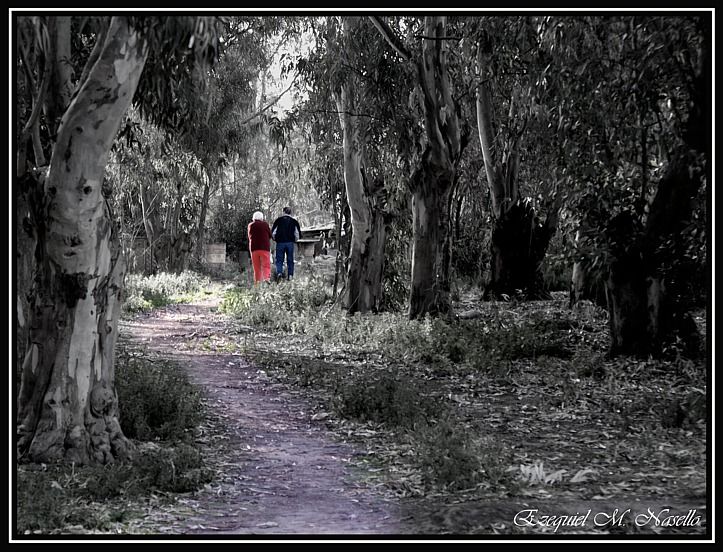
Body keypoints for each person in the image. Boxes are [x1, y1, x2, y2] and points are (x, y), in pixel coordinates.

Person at [271, 206, 301, 281]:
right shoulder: (294, 221)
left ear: (283, 212)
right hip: (290, 243)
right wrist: (294, 240)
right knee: (290, 260)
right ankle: (290, 275)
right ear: (290, 212)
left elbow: (273, 232)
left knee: (279, 259)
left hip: (280, 243)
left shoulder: (278, 220)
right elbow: (297, 233)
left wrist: (275, 239)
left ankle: (279, 273)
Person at [248, 211, 272, 284]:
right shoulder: (265, 225)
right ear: (262, 218)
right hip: (265, 248)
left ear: (254, 218)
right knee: (266, 264)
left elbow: (249, 236)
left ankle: (257, 282)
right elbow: (270, 235)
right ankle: (267, 278)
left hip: (254, 248)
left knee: (256, 266)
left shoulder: (251, 225)